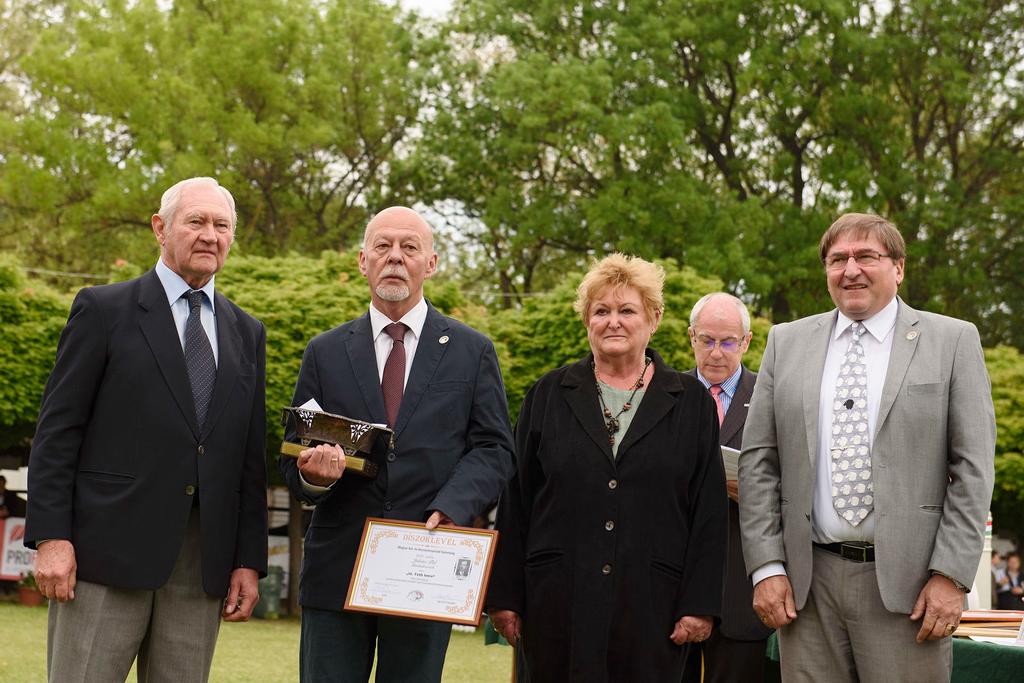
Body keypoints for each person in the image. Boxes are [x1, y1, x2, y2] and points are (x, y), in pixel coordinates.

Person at [25, 177, 268, 682]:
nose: (209, 235)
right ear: (160, 228)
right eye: (195, 221)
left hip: (201, 565)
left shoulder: (247, 332)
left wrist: (248, 559)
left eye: (221, 225)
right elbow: (58, 432)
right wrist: (51, 537)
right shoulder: (103, 310)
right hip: (104, 556)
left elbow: (248, 457)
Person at [739, 213, 995, 681]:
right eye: (838, 259)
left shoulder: (953, 340)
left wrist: (952, 575)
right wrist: (766, 566)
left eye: (866, 256)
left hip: (911, 590)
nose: (850, 269)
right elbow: (759, 462)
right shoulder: (786, 342)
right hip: (806, 588)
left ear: (898, 268)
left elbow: (973, 468)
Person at [280, 206, 515, 683]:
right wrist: (312, 475)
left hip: (424, 565)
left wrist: (452, 506)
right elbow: (295, 448)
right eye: (383, 247)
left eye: (409, 247)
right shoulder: (325, 351)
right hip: (337, 570)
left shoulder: (472, 351)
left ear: (430, 263)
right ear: (362, 260)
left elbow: (494, 447)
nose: (395, 257)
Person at [487, 253, 727, 682]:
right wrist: (505, 595)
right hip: (557, 605)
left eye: (626, 310)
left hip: (655, 609)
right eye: (601, 311)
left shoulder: (691, 403)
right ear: (587, 322)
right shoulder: (548, 394)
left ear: (653, 319)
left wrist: (700, 604)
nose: (613, 321)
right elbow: (516, 500)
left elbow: (709, 515)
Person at [682, 293, 771, 682]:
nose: (717, 353)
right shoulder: (665, 396)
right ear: (691, 338)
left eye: (728, 342)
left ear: (747, 342)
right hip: (673, 588)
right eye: (707, 340)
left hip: (741, 588)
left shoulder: (771, 397)